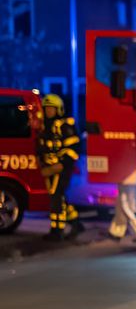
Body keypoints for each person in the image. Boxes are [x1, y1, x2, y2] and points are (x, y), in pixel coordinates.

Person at [37, 94, 84, 242]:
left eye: (52, 109)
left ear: (59, 109)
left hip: (62, 167)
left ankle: (57, 230)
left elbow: (73, 147)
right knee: (57, 196)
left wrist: (62, 164)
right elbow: (40, 146)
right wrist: (41, 161)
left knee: (56, 197)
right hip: (49, 167)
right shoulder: (44, 126)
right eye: (47, 109)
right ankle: (75, 222)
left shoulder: (65, 125)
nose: (49, 112)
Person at [108, 177, 136, 242]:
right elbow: (125, 204)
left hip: (127, 192)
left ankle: (116, 232)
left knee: (122, 213)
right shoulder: (128, 186)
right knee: (125, 213)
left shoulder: (130, 185)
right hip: (126, 193)